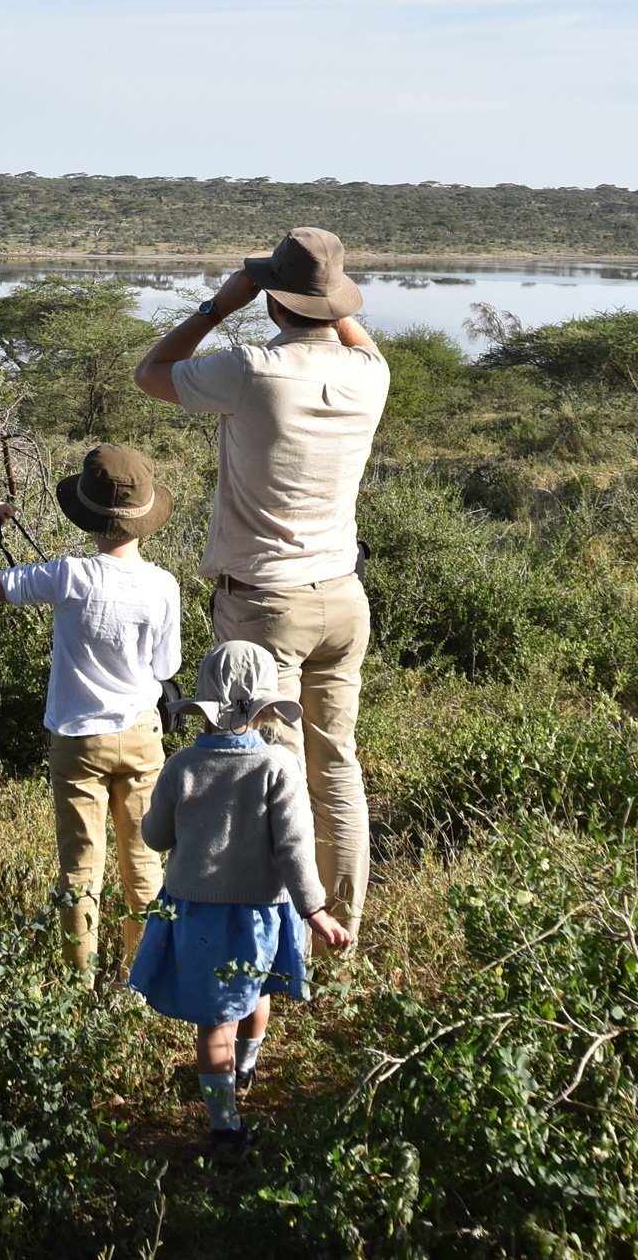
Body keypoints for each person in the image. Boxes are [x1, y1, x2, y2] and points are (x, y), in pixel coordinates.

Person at [134, 227, 390, 943]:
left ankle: (285, 937)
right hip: (342, 595)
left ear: (272, 302)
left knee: (271, 772)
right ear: (336, 303)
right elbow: (351, 334)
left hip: (265, 604)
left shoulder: (249, 369)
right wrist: (320, 295)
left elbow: (151, 371)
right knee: (336, 762)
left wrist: (221, 303)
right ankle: (344, 920)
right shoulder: (372, 374)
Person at [129, 640, 352, 1165]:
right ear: (266, 707)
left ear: (204, 702)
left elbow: (157, 837)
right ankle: (243, 1075)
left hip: (196, 909)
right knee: (258, 991)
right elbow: (296, 847)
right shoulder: (278, 765)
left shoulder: (182, 765)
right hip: (260, 911)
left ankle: (223, 1117)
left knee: (214, 1020)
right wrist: (314, 909)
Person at [0, 444, 181, 986]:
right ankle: (144, 978)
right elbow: (166, 667)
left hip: (75, 739)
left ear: (87, 514)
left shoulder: (68, 575)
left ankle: (79, 984)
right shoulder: (163, 585)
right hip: (141, 734)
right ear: (146, 518)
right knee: (145, 861)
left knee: (81, 865)